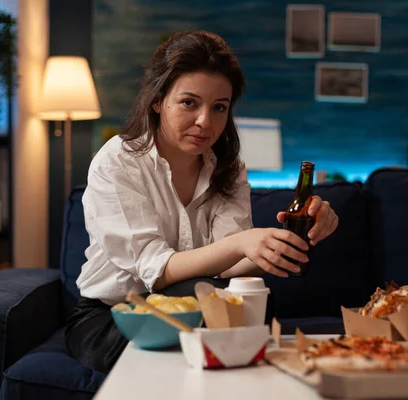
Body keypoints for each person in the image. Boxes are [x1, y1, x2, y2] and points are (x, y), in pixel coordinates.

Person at [65, 30, 339, 373]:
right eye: (189, 102)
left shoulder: (228, 168)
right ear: (158, 100)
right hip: (116, 317)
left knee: (243, 298)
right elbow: (158, 269)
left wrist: (286, 239)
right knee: (213, 302)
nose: (205, 122)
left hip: (193, 306)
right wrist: (242, 243)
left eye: (219, 107)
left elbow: (228, 264)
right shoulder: (119, 161)